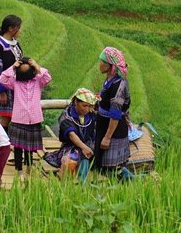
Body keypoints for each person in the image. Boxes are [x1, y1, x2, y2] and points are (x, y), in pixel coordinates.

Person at [0, 56, 52, 177]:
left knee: (30, 148)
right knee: (17, 147)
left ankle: (28, 168)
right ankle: (19, 171)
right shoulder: (15, 82)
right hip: (19, 118)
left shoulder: (38, 81)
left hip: (34, 118)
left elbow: (48, 78)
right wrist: (13, 67)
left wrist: (37, 66)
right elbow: (2, 78)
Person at [93, 47, 132, 176]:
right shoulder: (110, 79)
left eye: (102, 61)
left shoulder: (118, 86)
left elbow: (115, 114)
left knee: (111, 167)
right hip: (103, 124)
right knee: (100, 162)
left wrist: (107, 138)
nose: (99, 64)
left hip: (113, 129)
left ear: (110, 66)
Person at [43, 88, 98, 178]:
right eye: (84, 106)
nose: (87, 109)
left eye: (89, 106)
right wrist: (84, 148)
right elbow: (72, 135)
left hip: (89, 145)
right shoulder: (66, 116)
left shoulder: (91, 115)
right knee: (70, 161)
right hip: (71, 146)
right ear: (76, 102)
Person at [0, 14, 23, 125]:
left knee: (18, 115)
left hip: (19, 84)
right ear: (11, 29)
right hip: (6, 85)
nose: (20, 31)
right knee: (6, 117)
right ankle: (3, 140)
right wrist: (1, 91)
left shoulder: (16, 43)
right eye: (18, 28)